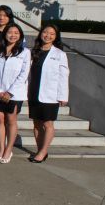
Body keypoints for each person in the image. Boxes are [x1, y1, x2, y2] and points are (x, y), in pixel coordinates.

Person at [28, 24, 69, 163]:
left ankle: (43, 151)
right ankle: (40, 150)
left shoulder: (59, 54)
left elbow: (64, 76)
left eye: (52, 33)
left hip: (50, 94)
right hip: (34, 92)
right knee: (36, 124)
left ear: (56, 36)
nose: (48, 35)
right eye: (45, 32)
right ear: (41, 34)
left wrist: (63, 96)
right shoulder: (34, 51)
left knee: (48, 124)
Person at [0, 23, 30, 164]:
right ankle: (1, 148)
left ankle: (9, 149)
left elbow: (23, 74)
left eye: (16, 33)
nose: (12, 35)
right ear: (5, 34)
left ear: (20, 36)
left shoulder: (25, 52)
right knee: (0, 119)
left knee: (11, 120)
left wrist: (10, 92)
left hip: (14, 94)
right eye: (10, 32)